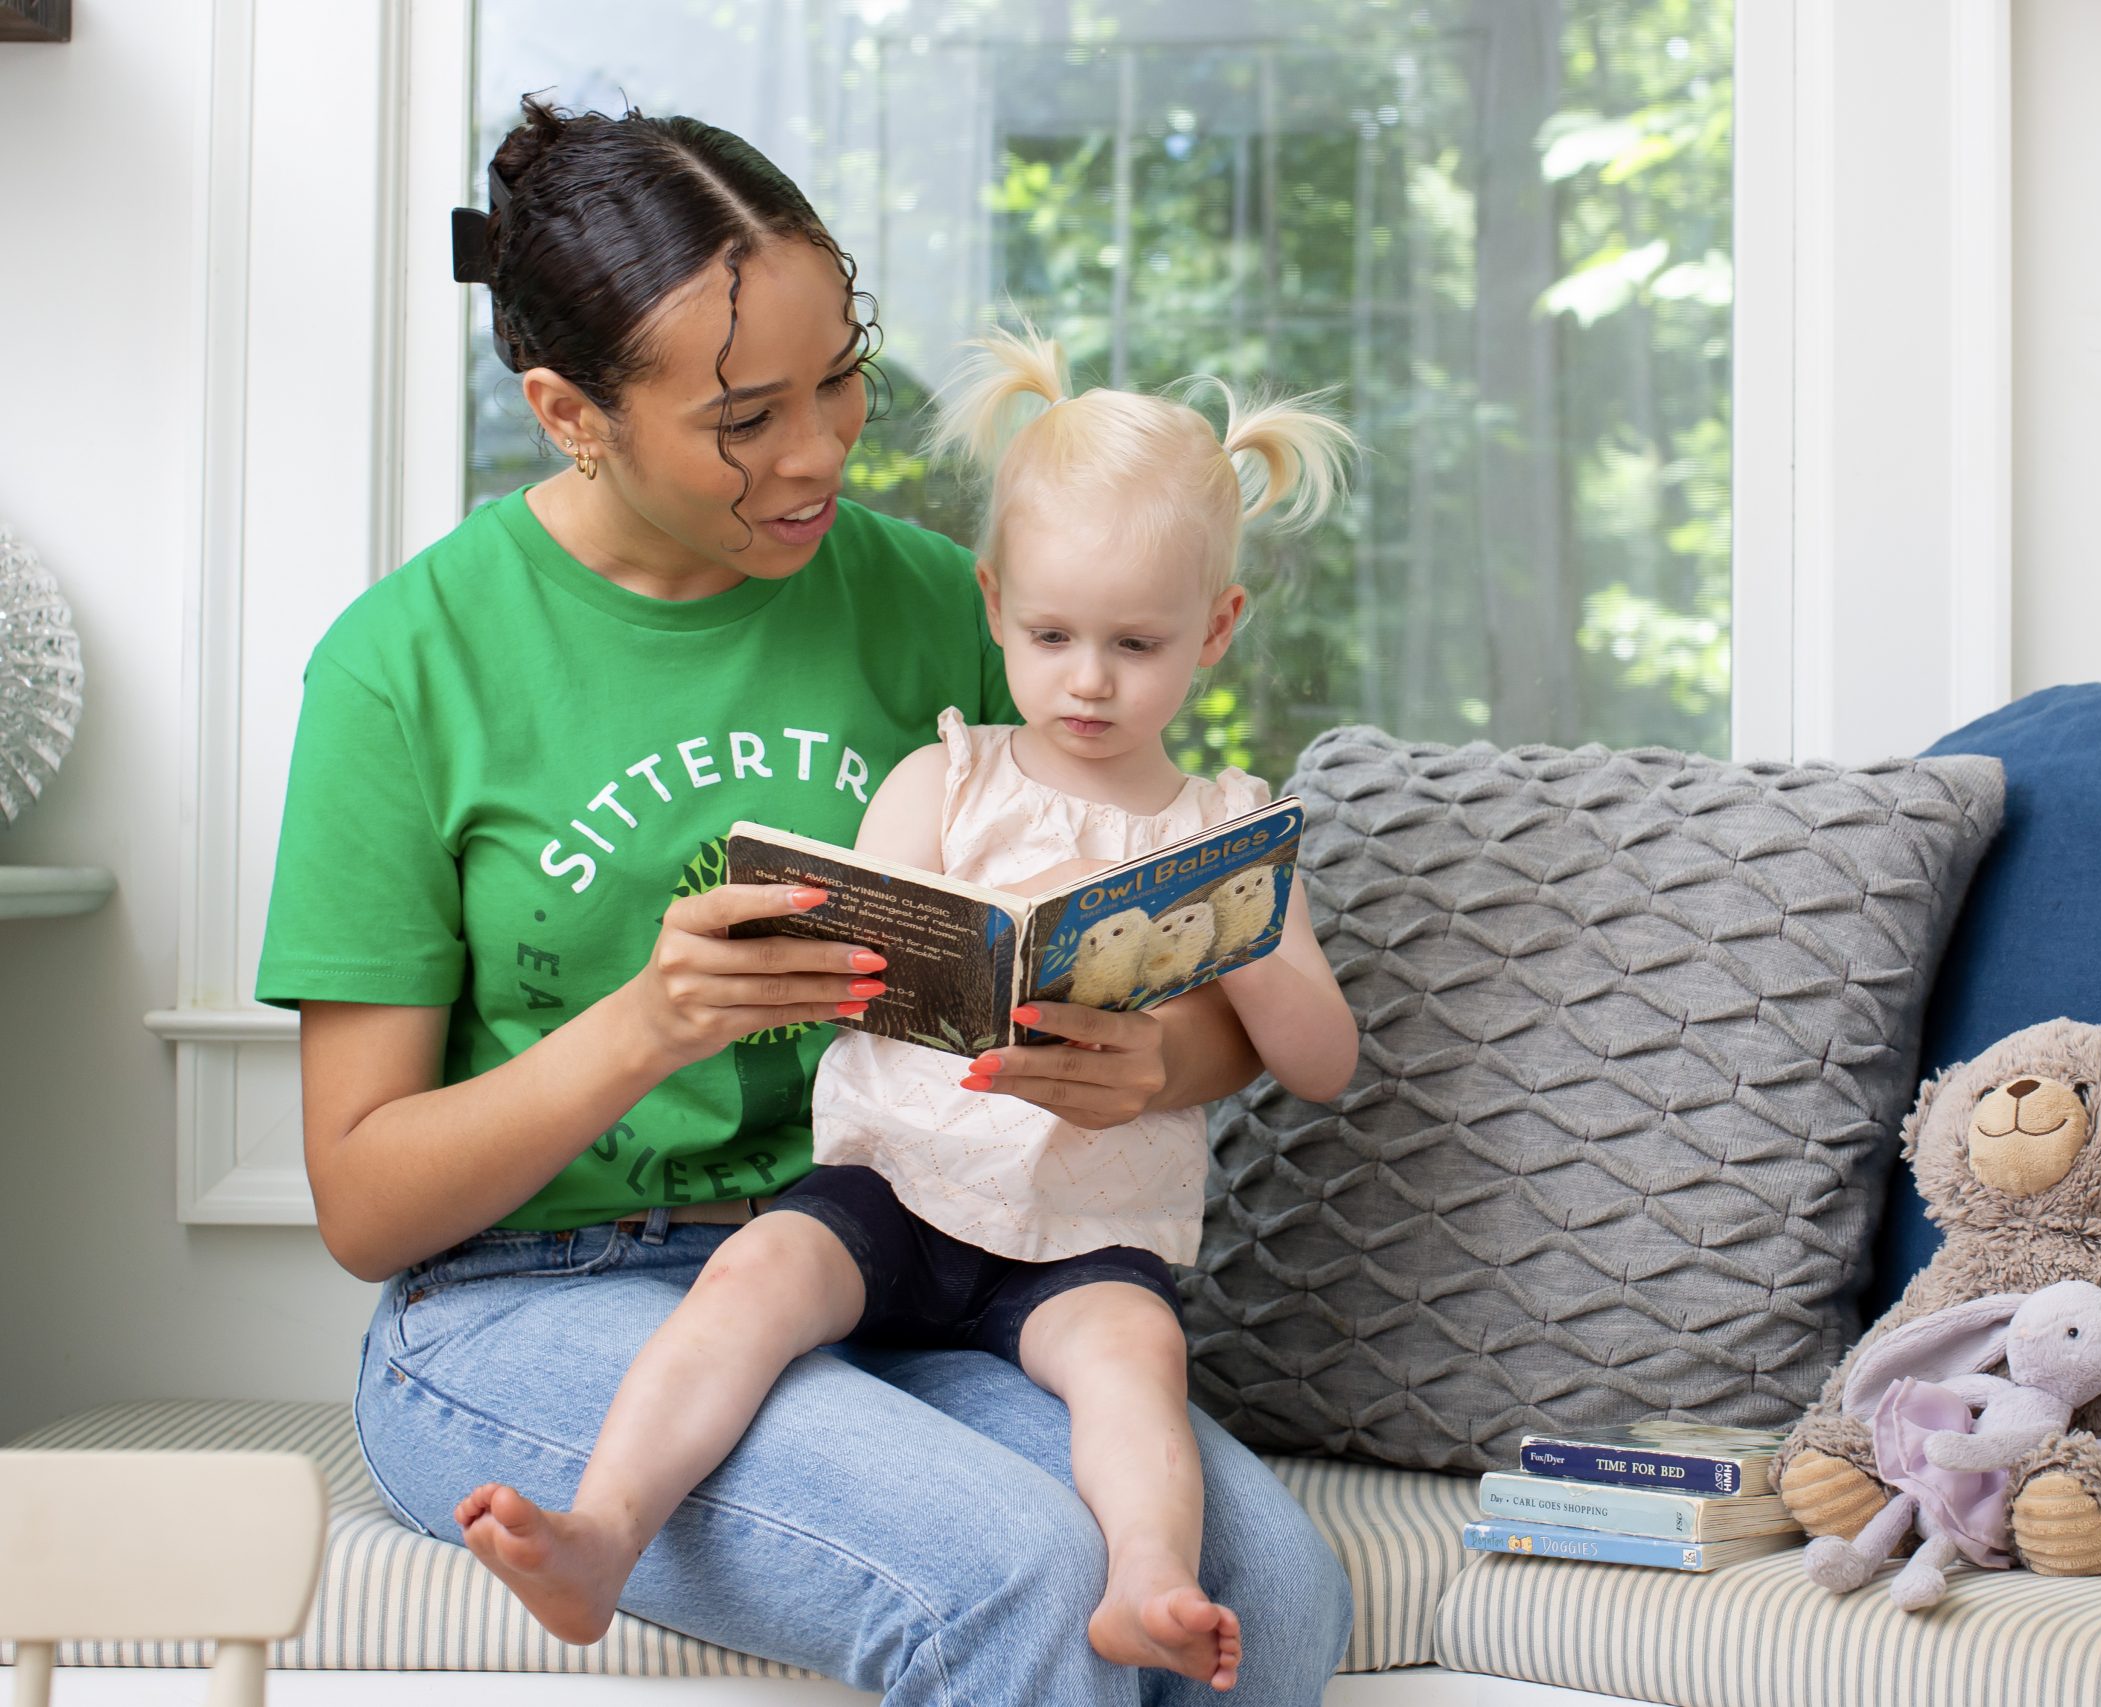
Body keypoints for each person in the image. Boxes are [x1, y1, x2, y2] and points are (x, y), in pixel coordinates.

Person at [256, 98, 1352, 1706]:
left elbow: (1170, 942)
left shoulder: (940, 600)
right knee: (1020, 1578)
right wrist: (649, 1023)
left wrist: (1166, 1061)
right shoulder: (404, 667)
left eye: (841, 374)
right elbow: (365, 1207)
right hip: (530, 1307)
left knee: (1276, 1600)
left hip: (916, 1253)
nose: (822, 450)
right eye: (746, 415)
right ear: (572, 413)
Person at [452, 323, 1360, 1693]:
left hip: (1080, 1238)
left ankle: (1148, 1581)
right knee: (753, 1275)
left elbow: (1323, 1061)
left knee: (1137, 1356)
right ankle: (603, 1529)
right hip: (898, 1191)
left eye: (1137, 642)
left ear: (1216, 632)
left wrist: (1230, 933)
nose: (1090, 679)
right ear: (994, 607)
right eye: (1051, 636)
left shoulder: (1228, 831)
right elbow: (878, 963)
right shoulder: (949, 781)